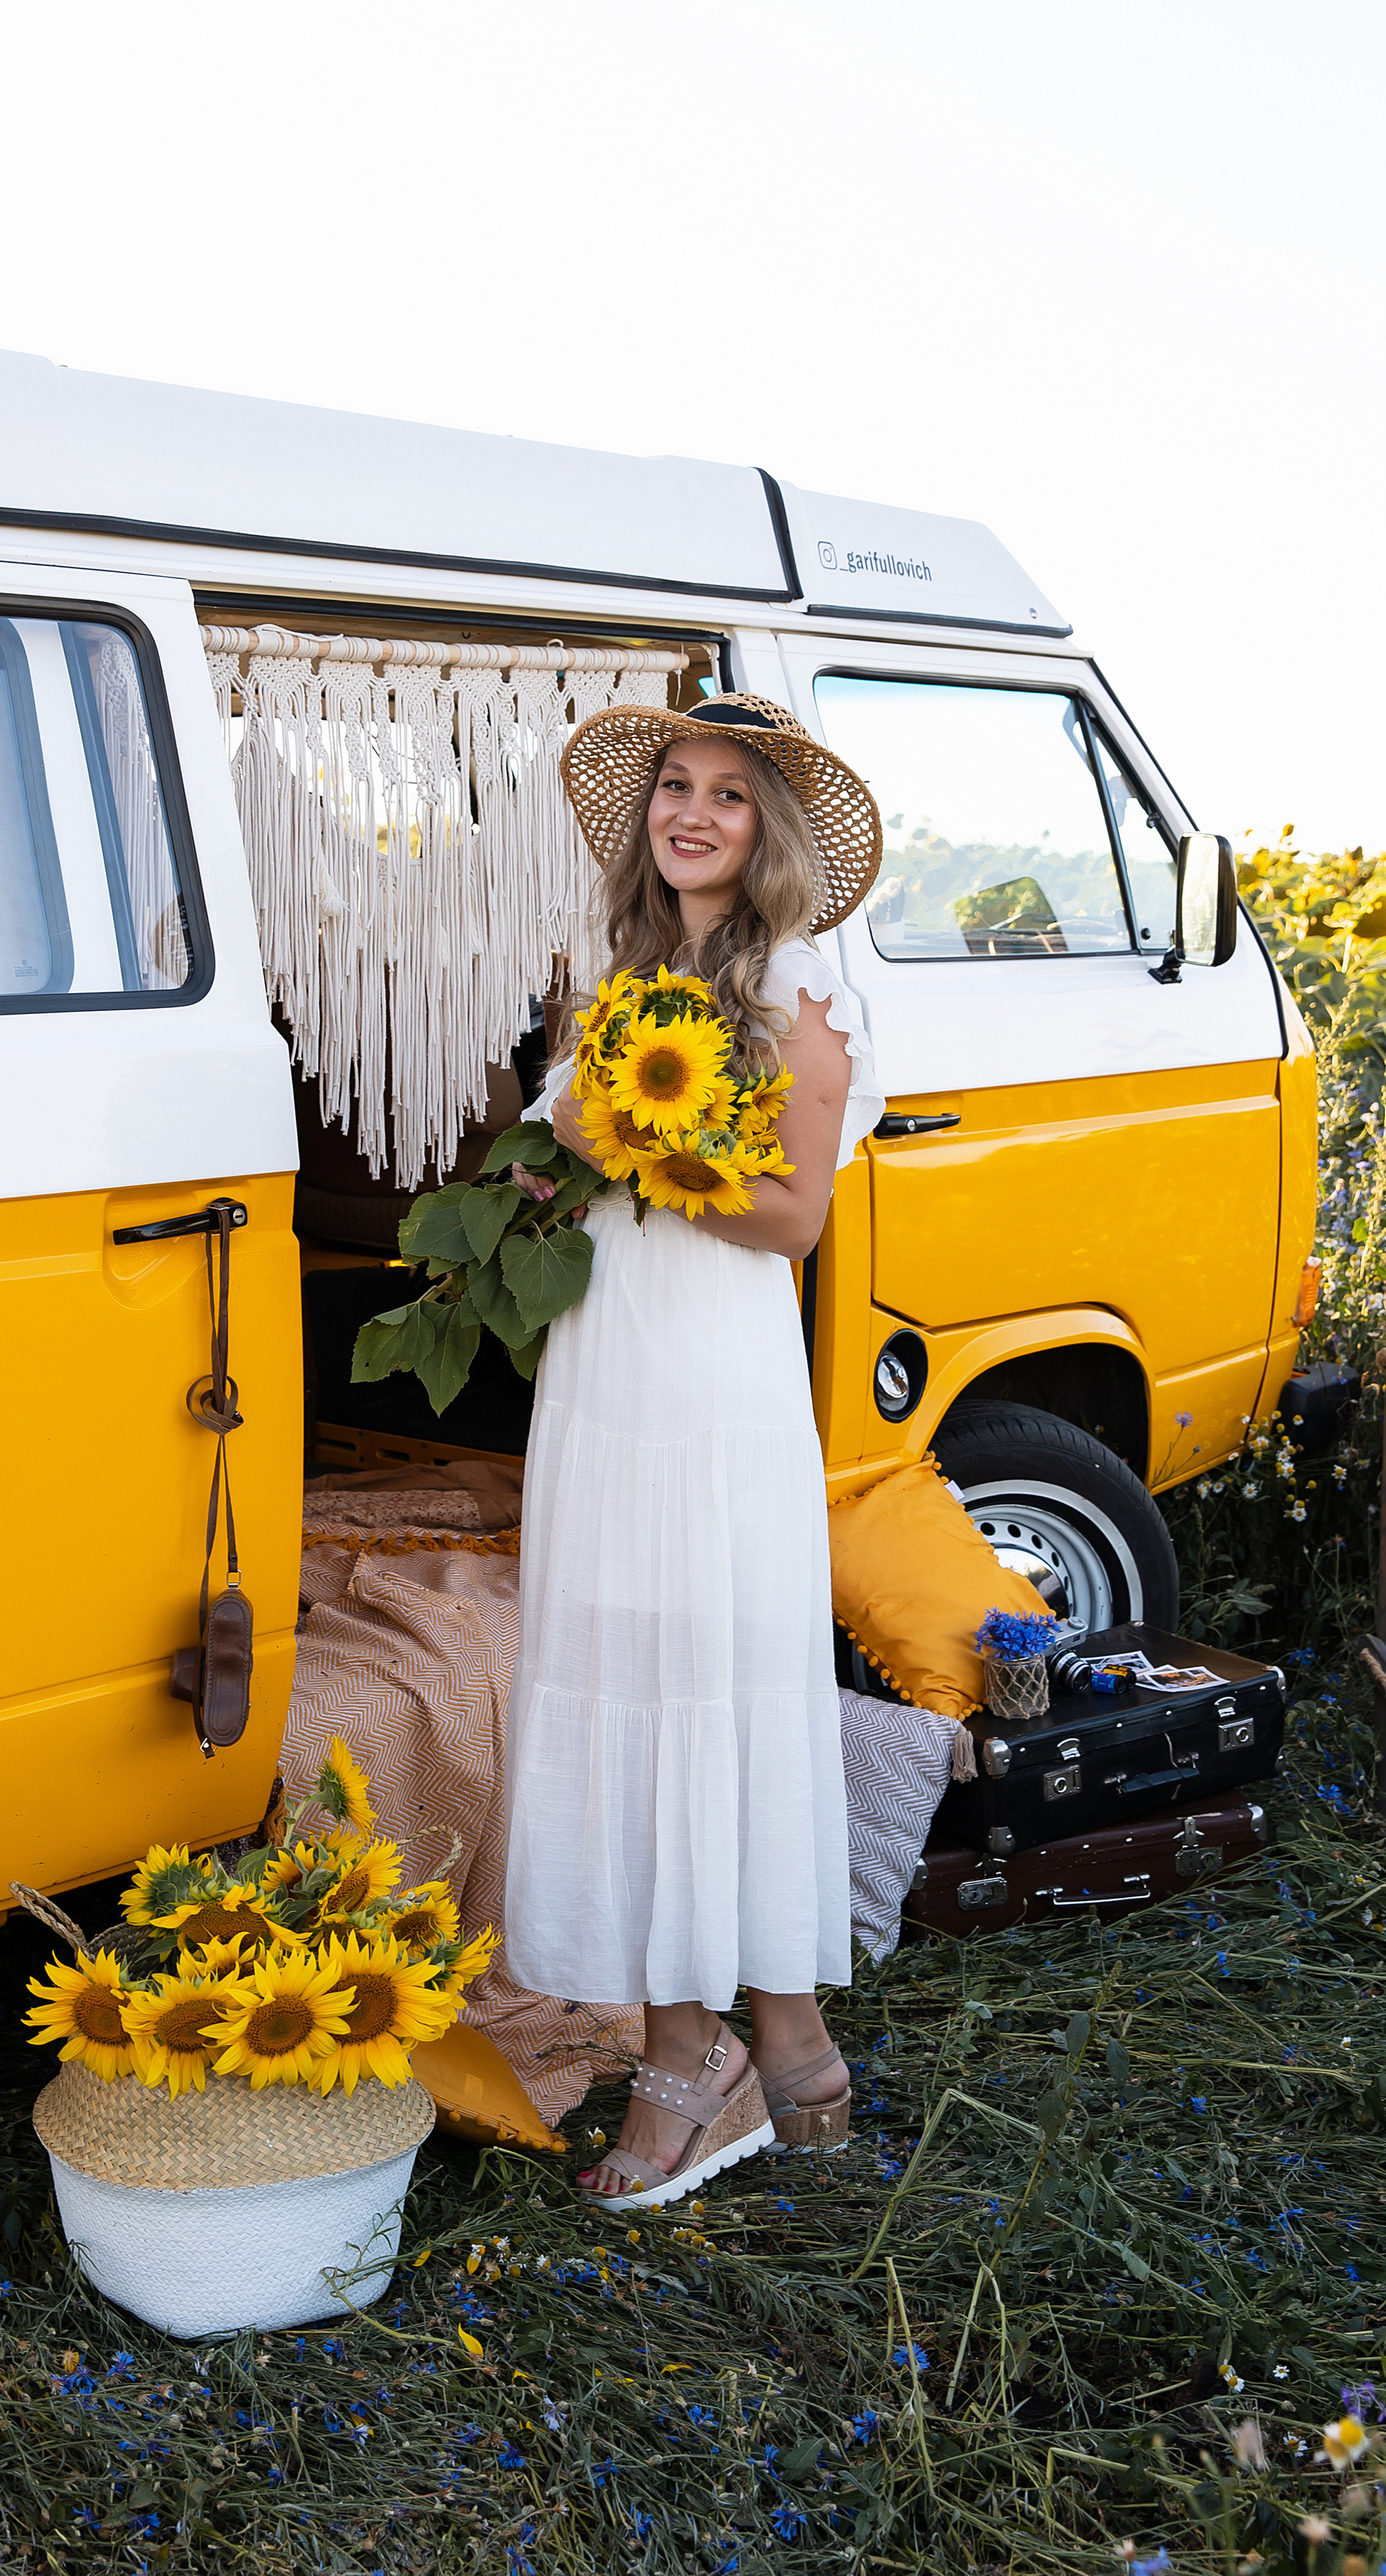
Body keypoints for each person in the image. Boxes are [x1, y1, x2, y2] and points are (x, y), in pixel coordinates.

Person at [501, 692, 884, 2207]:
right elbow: (564, 1171)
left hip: (715, 1380)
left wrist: (634, 1152)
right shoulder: (606, 984)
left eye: (727, 795)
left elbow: (788, 1219)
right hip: (608, 1369)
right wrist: (539, 1188)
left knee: (703, 1681)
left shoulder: (796, 995)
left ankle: (692, 2068)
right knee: (634, 1671)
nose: (694, 813)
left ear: (764, 832)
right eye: (674, 785)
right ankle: (782, 2051)